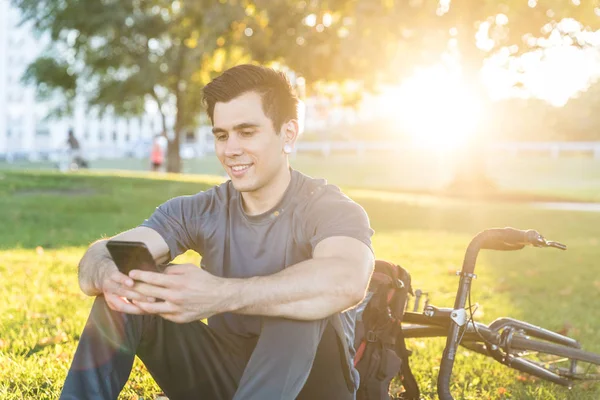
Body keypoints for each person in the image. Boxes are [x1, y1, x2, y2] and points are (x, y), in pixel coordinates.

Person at [60, 64, 375, 400]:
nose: (230, 150)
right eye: (221, 135)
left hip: (312, 387)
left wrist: (221, 294)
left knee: (301, 303)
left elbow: (346, 280)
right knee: (127, 288)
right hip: (228, 380)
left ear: (288, 134)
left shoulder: (328, 206)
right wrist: (109, 274)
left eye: (247, 132)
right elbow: (99, 256)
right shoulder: (200, 209)